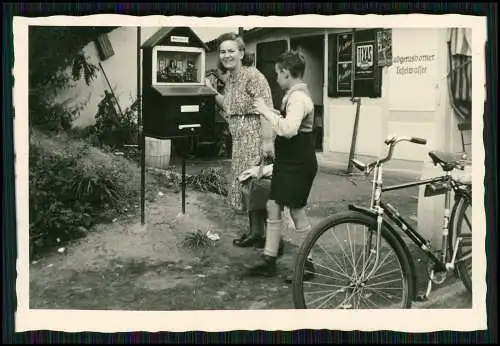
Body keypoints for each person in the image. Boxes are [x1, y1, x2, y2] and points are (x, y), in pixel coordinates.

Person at [244, 50, 318, 279]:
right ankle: (269, 259)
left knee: (296, 211)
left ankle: (308, 265)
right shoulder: (295, 96)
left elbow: (288, 129)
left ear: (286, 73)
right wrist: (271, 112)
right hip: (290, 162)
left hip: (298, 164)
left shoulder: (299, 98)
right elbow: (287, 121)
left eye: (277, 73)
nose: (276, 78)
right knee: (273, 206)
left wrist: (266, 112)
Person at [205, 32, 279, 249]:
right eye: (223, 51)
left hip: (255, 137)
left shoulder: (253, 76)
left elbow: (265, 109)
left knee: (258, 188)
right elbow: (229, 107)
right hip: (240, 141)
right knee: (248, 189)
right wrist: (211, 92)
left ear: (241, 52)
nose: (226, 55)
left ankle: (272, 239)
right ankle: (256, 232)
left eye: (231, 51)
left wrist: (267, 142)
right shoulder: (231, 78)